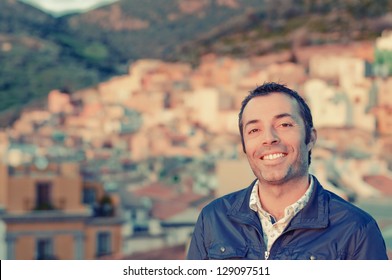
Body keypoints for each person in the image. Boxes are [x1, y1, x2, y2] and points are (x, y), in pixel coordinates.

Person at [187, 82, 388, 260]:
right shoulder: (213, 219)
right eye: (254, 130)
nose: (269, 138)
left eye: (284, 124)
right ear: (245, 147)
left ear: (310, 138)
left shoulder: (356, 230)